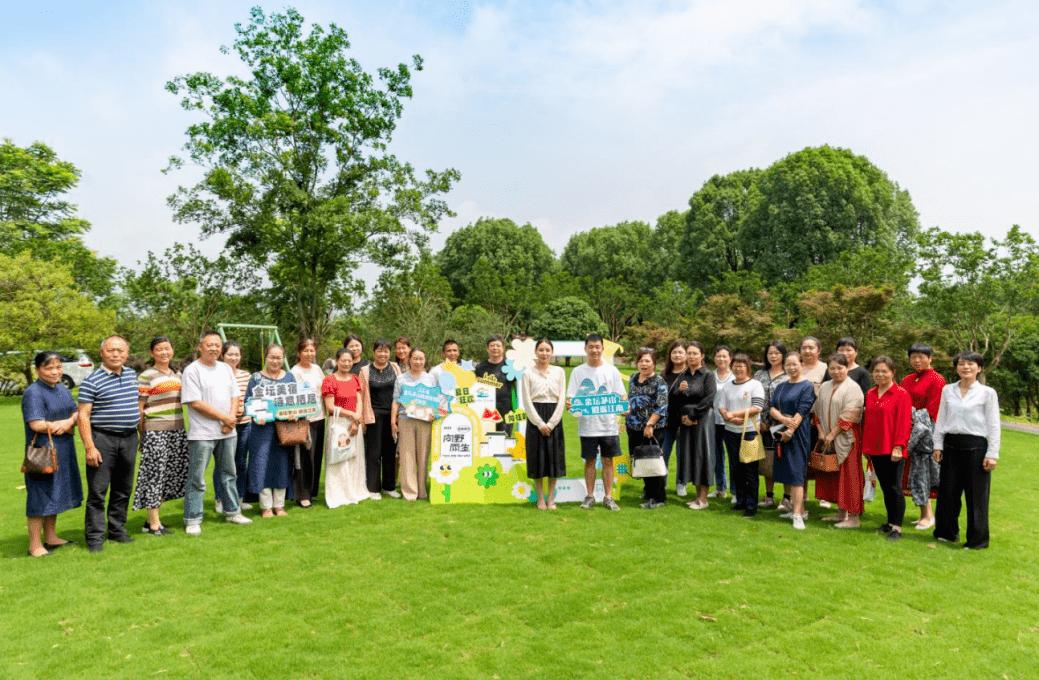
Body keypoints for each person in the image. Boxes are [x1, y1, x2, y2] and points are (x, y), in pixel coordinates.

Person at [181, 330, 251, 535]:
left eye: (217, 345)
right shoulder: (192, 370)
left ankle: (232, 511)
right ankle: (193, 518)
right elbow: (195, 403)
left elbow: (235, 396)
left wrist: (230, 419)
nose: (213, 348)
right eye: (209, 344)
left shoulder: (225, 369)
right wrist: (225, 418)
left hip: (227, 432)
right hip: (202, 434)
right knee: (197, 477)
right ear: (200, 347)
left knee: (229, 474)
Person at [932, 351, 1001, 550]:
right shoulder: (948, 390)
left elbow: (994, 424)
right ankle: (946, 532)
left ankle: (977, 540)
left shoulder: (987, 393)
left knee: (976, 496)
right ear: (956, 367)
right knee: (948, 492)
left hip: (976, 447)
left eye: (971, 364)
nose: (966, 367)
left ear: (979, 368)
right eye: (961, 364)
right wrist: (938, 444)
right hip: (950, 445)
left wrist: (992, 454)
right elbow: (941, 418)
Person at [77, 335, 140, 553]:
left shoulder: (131, 375)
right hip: (103, 439)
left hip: (129, 438)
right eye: (111, 350)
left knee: (123, 488)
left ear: (126, 354)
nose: (116, 354)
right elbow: (83, 416)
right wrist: (89, 447)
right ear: (102, 353)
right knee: (98, 491)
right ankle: (95, 538)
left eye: (120, 351)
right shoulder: (91, 381)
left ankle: (117, 530)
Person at [22, 351, 82, 557]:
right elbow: (36, 423)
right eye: (49, 368)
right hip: (42, 452)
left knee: (56, 493)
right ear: (38, 369)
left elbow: (76, 412)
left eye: (58, 367)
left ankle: (51, 537)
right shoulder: (33, 393)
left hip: (63, 449)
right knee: (40, 496)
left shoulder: (62, 389)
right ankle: (34, 545)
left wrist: (69, 422)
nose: (55, 372)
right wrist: (60, 425)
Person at [131, 336, 189, 536]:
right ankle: (154, 524)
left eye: (167, 348)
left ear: (172, 350)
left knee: (168, 475)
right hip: (156, 431)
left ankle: (150, 520)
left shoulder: (177, 374)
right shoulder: (146, 376)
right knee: (155, 475)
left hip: (177, 429)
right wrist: (142, 434)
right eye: (159, 349)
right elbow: (139, 408)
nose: (164, 352)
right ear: (152, 353)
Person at [566, 333, 627, 511]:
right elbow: (571, 398)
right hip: (588, 427)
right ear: (585, 349)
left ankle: (608, 497)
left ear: (602, 348)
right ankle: (590, 496)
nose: (594, 350)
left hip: (609, 426)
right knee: (590, 461)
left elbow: (621, 395)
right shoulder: (578, 371)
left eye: (597, 347)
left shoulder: (612, 370)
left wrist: (623, 406)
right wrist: (570, 405)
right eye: (591, 347)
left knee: (608, 461)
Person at [861, 356, 912, 540]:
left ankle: (897, 527)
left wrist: (898, 446)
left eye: (884, 371)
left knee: (895, 487)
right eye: (876, 371)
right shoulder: (870, 394)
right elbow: (868, 422)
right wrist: (866, 448)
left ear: (893, 373)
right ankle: (890, 522)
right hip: (875, 448)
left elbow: (904, 423)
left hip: (893, 448)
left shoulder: (901, 394)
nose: (880, 374)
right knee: (885, 487)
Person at [813, 353, 865, 529]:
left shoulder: (853, 388)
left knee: (850, 476)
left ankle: (854, 517)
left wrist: (833, 434)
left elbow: (851, 414)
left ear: (847, 368)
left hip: (847, 439)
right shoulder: (825, 386)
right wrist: (821, 432)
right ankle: (841, 513)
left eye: (840, 368)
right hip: (827, 438)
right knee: (835, 476)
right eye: (832, 368)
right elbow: (816, 411)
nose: (836, 371)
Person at [246, 344, 297, 518]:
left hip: (283, 430)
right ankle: (266, 506)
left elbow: (295, 401)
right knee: (262, 465)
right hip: (262, 430)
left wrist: (294, 413)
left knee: (282, 465)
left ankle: (279, 505)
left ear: (283, 359)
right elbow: (248, 402)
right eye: (272, 357)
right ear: (266, 358)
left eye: (278, 358)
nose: (275, 361)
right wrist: (256, 415)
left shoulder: (289, 378)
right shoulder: (256, 378)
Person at [900, 342, 946, 531]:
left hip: (925, 433)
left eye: (921, 357)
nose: (917, 360)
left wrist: (914, 423)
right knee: (911, 473)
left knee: (923, 472)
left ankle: (928, 515)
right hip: (906, 431)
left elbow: (934, 409)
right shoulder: (907, 379)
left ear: (930, 358)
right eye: (913, 357)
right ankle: (923, 513)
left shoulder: (937, 379)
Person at [769, 351, 816, 530]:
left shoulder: (807, 386)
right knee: (787, 472)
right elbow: (772, 408)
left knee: (797, 475)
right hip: (780, 431)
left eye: (794, 364)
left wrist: (790, 430)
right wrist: (782, 420)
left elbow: (802, 411)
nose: (791, 367)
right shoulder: (781, 386)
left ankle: (797, 515)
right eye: (788, 364)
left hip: (798, 434)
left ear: (801, 364)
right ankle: (799, 510)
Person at [520, 338, 567, 510]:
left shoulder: (559, 372)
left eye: (547, 350)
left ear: (552, 352)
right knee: (537, 458)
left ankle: (551, 499)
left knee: (554, 458)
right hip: (535, 418)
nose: (544, 353)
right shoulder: (528, 373)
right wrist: (540, 423)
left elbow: (562, 398)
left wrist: (552, 423)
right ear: (536, 352)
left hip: (554, 416)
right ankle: (540, 498)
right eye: (541, 350)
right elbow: (526, 400)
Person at [717, 353, 765, 517]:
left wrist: (735, 415)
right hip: (731, 432)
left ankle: (751, 505)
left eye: (742, 365)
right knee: (735, 468)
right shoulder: (727, 386)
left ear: (748, 367)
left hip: (749, 432)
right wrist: (728, 416)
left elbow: (757, 407)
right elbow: (721, 406)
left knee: (749, 469)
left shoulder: (755, 385)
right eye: (736, 365)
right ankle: (740, 500)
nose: (738, 368)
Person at [322, 349, 370, 507]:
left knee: (354, 458)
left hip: (354, 424)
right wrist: (351, 415)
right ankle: (339, 494)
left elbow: (359, 401)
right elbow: (330, 406)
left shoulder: (355, 379)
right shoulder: (329, 380)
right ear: (337, 361)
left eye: (349, 361)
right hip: (338, 424)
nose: (346, 363)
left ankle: (354, 490)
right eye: (343, 360)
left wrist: (356, 420)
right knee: (339, 458)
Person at [391, 348, 437, 501]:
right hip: (406, 420)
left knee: (423, 455)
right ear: (409, 359)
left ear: (425, 360)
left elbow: (436, 399)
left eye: (421, 359)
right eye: (415, 358)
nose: (418, 362)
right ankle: (410, 492)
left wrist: (434, 413)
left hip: (425, 421)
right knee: (407, 455)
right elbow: (396, 401)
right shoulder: (401, 379)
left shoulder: (431, 378)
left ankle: (422, 491)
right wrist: (393, 420)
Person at [625, 348, 668, 509]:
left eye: (647, 361)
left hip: (652, 428)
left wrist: (650, 424)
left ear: (654, 364)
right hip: (633, 427)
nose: (644, 364)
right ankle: (648, 491)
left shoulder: (659, 381)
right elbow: (630, 400)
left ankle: (657, 498)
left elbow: (662, 406)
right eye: (641, 360)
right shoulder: (633, 378)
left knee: (652, 461)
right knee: (640, 460)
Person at [676, 341, 716, 511]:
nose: (691, 356)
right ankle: (697, 495)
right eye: (689, 353)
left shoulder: (708, 375)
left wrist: (693, 417)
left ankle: (703, 499)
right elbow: (677, 400)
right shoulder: (684, 375)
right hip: (686, 421)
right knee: (691, 456)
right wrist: (679, 391)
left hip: (702, 419)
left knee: (702, 455)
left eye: (695, 353)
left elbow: (709, 398)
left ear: (702, 356)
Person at [360, 339, 401, 499]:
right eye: (379, 350)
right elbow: (361, 396)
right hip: (373, 416)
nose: (382, 354)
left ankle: (389, 486)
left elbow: (400, 391)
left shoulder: (395, 368)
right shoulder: (365, 370)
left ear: (390, 353)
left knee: (390, 452)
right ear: (374, 352)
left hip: (392, 416)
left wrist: (396, 416)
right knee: (374, 453)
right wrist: (362, 419)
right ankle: (373, 488)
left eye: (386, 351)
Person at [290, 338, 326, 507]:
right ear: (299, 353)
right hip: (304, 420)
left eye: (312, 350)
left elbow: (323, 390)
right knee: (305, 458)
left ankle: (312, 491)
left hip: (319, 418)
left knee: (316, 456)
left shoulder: (317, 369)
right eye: (306, 350)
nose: (309, 353)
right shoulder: (294, 372)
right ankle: (302, 494)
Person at [218, 340, 254, 510]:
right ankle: (220, 499)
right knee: (223, 463)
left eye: (237, 354)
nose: (233, 357)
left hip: (244, 424)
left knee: (240, 462)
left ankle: (239, 498)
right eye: (230, 354)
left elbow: (251, 398)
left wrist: (245, 408)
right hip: (224, 424)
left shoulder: (246, 375)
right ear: (223, 355)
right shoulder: (217, 374)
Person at [754, 341, 788, 509]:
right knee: (767, 460)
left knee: (784, 459)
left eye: (777, 353)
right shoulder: (759, 374)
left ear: (783, 355)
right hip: (762, 425)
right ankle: (769, 496)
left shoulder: (788, 374)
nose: (773, 356)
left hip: (782, 424)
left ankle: (787, 498)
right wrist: (759, 421)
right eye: (770, 353)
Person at [661, 340, 690, 494]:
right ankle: (661, 483)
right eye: (674, 352)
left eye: (680, 352)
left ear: (686, 355)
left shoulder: (691, 374)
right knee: (663, 453)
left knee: (682, 455)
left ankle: (681, 483)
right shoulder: (663, 375)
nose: (677, 355)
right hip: (666, 422)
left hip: (684, 422)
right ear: (670, 355)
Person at [475, 335, 516, 434]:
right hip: (486, 411)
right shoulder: (480, 368)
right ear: (487, 349)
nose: (495, 348)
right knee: (485, 439)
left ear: (503, 348)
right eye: (492, 345)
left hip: (506, 411)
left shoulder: (511, 366)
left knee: (504, 440)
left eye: (498, 345)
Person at [710, 346, 735, 500]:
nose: (721, 359)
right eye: (718, 356)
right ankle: (720, 488)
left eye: (724, 356)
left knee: (733, 457)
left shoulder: (735, 376)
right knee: (717, 456)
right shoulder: (710, 376)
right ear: (714, 358)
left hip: (731, 422)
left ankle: (735, 491)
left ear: (730, 358)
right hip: (713, 421)